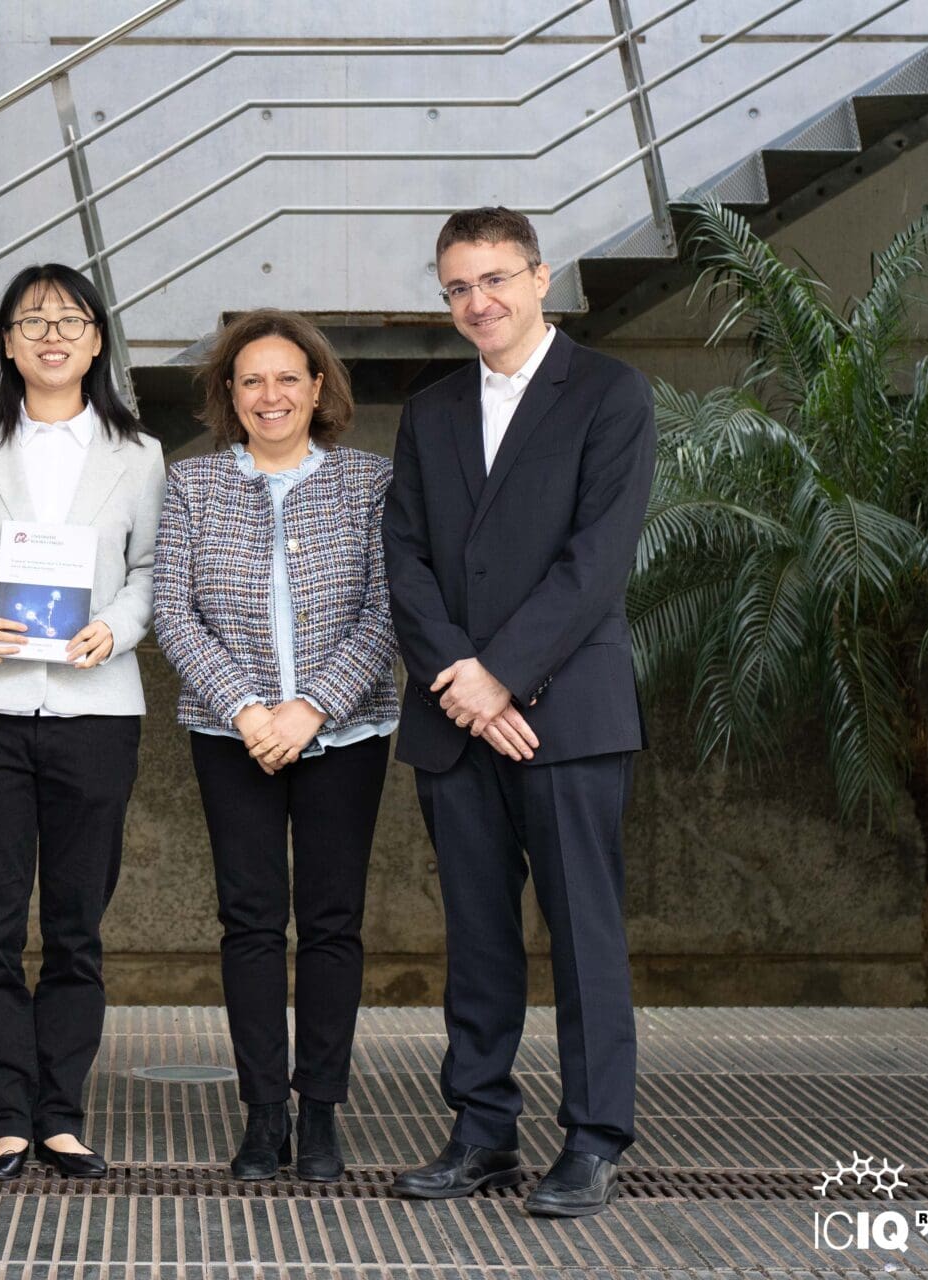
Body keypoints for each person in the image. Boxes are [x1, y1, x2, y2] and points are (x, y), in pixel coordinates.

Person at [382, 207, 656, 1216]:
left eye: (495, 279)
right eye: (457, 286)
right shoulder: (434, 406)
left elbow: (598, 558)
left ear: (542, 278)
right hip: (458, 718)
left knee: (584, 930)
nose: (476, 302)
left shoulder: (611, 392)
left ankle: (593, 1135)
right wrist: (462, 677)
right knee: (479, 934)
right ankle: (482, 1129)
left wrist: (501, 675)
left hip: (568, 712)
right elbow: (402, 555)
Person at [0, 264, 164, 1181]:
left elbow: (148, 571)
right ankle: (5, 1112)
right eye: (32, 321)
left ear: (97, 340)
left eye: (70, 320)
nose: (51, 335)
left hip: (96, 713)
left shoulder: (139, 454)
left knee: (76, 926)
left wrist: (119, 626)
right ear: (8, 344)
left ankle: (61, 1111)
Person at [154, 310, 396, 1183]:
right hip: (232, 737)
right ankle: (263, 1115)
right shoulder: (191, 486)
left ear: (318, 387)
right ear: (229, 394)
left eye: (288, 377)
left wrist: (313, 709)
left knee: (332, 924)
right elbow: (173, 612)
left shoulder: (371, 482)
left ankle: (321, 1112)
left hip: (349, 732)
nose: (271, 394)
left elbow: (387, 610)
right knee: (251, 923)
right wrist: (250, 710)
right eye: (251, 380)